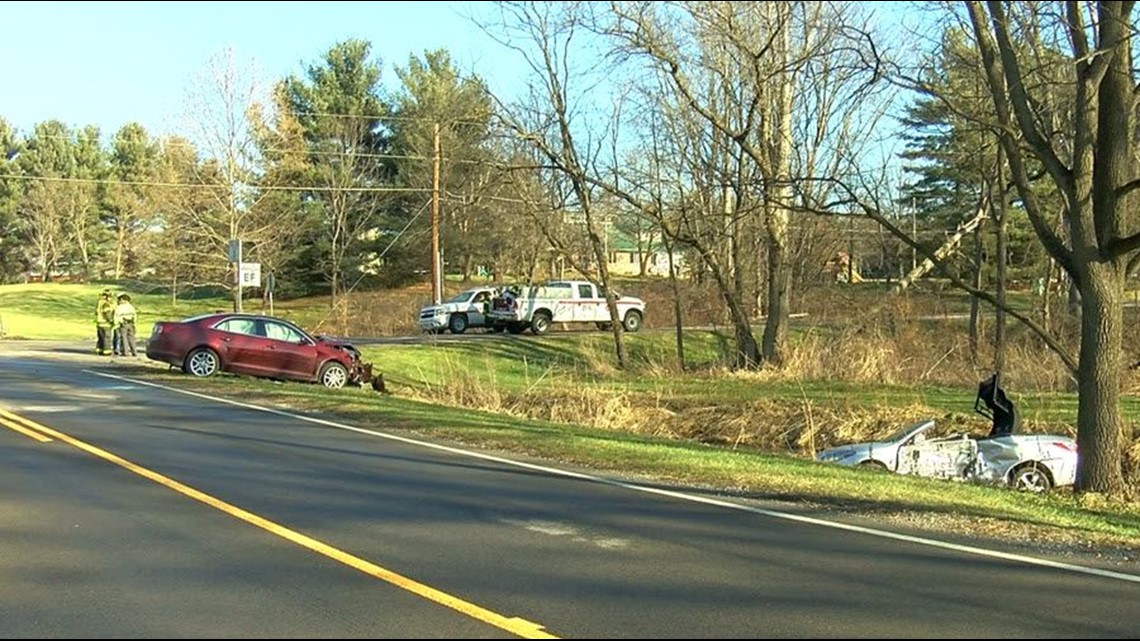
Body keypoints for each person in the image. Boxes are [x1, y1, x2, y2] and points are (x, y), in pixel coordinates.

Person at [113, 293, 139, 357]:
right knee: (131, 338)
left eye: (119, 300)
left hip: (123, 324)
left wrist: (116, 324)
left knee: (124, 338)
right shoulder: (131, 307)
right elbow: (134, 315)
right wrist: (134, 323)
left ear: (122, 300)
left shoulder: (119, 307)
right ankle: (134, 352)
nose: (118, 301)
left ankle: (125, 352)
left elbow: (116, 316)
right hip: (131, 323)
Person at [94, 289, 116, 355]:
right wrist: (111, 321)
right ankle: (107, 351)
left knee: (101, 337)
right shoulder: (106, 304)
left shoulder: (100, 303)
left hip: (99, 323)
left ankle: (100, 349)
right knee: (107, 337)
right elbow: (107, 313)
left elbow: (96, 312)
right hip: (105, 323)